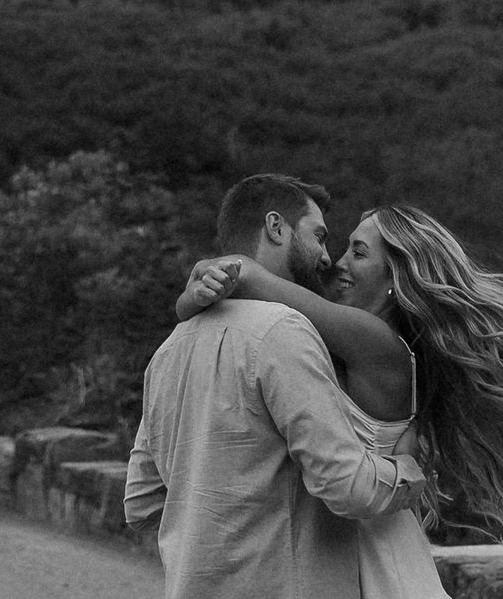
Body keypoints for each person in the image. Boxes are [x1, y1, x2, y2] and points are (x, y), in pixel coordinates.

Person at [179, 204, 503, 596]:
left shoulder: (376, 343)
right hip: (357, 554)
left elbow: (265, 288)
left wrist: (220, 274)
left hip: (378, 565)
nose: (338, 263)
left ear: (397, 279)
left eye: (359, 252)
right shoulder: (346, 344)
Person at [124, 175, 428, 599]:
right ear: (276, 227)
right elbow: (346, 487)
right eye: (320, 237)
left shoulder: (170, 349)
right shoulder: (285, 333)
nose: (328, 259)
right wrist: (408, 468)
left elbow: (142, 502)